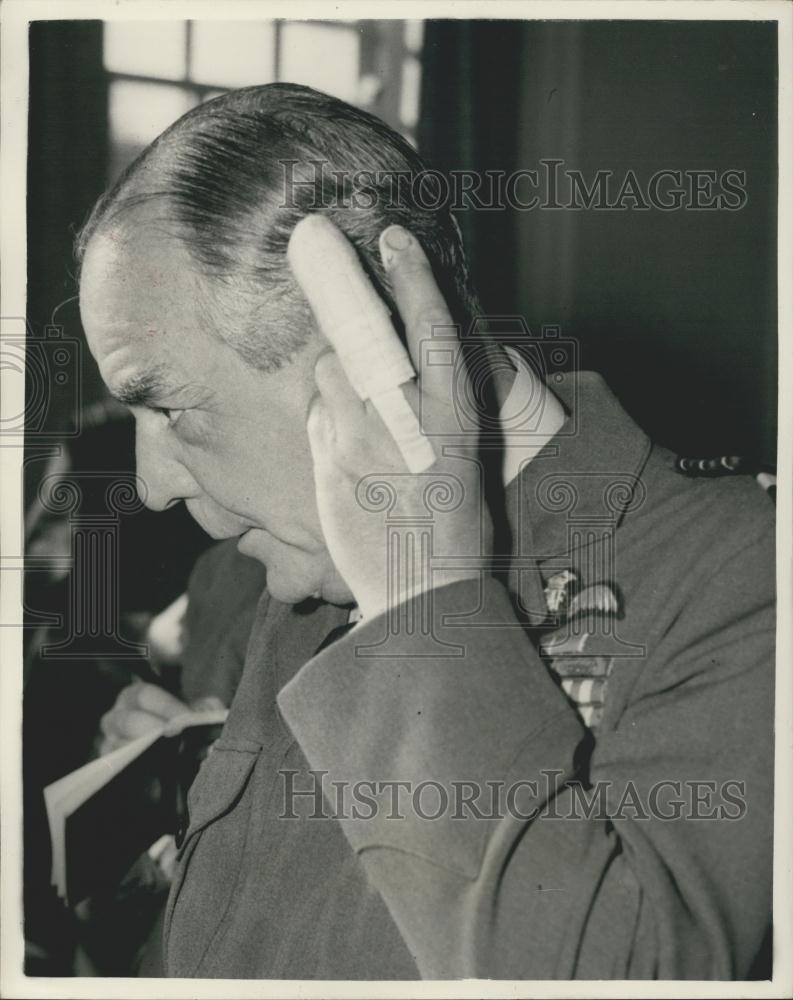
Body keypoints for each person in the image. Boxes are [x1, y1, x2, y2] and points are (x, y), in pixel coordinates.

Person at [76, 84, 774, 979]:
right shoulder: (297, 576)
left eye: (169, 407)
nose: (149, 484)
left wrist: (423, 594)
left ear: (382, 348)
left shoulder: (740, 578)